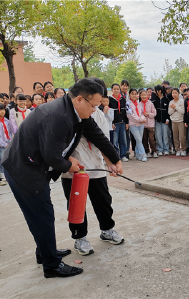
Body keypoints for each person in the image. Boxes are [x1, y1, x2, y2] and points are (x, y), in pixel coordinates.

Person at [2, 77, 122, 279]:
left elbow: (98, 135)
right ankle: (51, 265)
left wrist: (115, 159)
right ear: (80, 100)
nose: (95, 110)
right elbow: (51, 155)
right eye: (93, 105)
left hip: (33, 164)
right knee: (42, 215)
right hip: (24, 168)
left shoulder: (75, 112)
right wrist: (69, 165)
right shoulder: (59, 116)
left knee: (42, 214)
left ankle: (45, 251)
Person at [61, 83, 123, 256]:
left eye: (98, 103)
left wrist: (111, 162)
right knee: (76, 206)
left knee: (103, 201)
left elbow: (102, 141)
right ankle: (80, 238)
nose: (95, 108)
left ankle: (107, 230)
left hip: (96, 167)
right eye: (93, 104)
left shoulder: (98, 117)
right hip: (74, 169)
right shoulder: (68, 116)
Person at [0, 103, 13, 180]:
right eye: (0, 110)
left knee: (9, 158)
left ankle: (8, 174)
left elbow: (10, 132)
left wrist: (10, 141)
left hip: (8, 142)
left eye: (3, 109)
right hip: (0, 144)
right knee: (1, 159)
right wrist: (3, 144)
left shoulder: (7, 120)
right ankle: (2, 174)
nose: (2, 111)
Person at [109, 83, 128, 161]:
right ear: (112, 90)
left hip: (122, 122)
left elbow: (125, 112)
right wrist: (111, 123)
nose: (116, 90)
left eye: (117, 89)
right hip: (115, 123)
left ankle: (123, 155)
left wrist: (126, 122)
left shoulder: (123, 99)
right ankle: (116, 156)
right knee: (115, 141)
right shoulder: (109, 99)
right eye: (114, 89)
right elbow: (109, 113)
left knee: (123, 140)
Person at [127, 88, 147, 161]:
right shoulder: (128, 104)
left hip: (141, 124)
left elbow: (142, 113)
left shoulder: (139, 104)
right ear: (129, 95)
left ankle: (138, 154)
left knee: (139, 140)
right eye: (132, 94)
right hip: (133, 125)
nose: (134, 95)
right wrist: (140, 120)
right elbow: (130, 115)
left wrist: (142, 119)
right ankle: (143, 154)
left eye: (135, 94)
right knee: (138, 139)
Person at [169, 88, 186, 156]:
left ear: (178, 94)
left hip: (181, 121)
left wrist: (175, 107)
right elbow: (169, 112)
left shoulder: (181, 101)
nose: (174, 94)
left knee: (182, 137)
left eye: (176, 93)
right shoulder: (171, 102)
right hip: (173, 121)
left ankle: (183, 149)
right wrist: (175, 109)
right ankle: (177, 149)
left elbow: (182, 111)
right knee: (175, 137)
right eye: (173, 93)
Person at [140, 89, 157, 158]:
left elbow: (154, 113)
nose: (144, 96)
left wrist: (148, 114)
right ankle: (147, 152)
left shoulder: (150, 103)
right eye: (142, 95)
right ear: (140, 96)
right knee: (144, 139)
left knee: (151, 139)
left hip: (150, 124)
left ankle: (154, 151)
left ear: (147, 95)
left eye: (145, 95)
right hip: (143, 125)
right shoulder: (139, 104)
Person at [153, 85, 170, 155]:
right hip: (157, 120)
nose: (154, 92)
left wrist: (167, 119)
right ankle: (159, 149)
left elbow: (168, 110)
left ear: (159, 91)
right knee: (158, 135)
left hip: (165, 121)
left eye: (155, 90)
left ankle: (166, 149)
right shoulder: (155, 100)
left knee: (165, 135)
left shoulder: (166, 100)